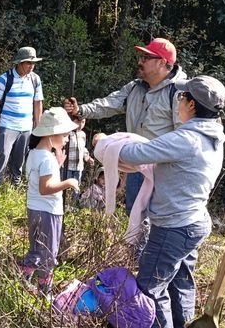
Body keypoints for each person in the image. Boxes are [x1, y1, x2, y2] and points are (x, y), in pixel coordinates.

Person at [115, 76, 225, 328]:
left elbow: (134, 153)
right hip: (194, 221)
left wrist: (107, 143)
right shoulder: (214, 134)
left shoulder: (186, 139)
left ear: (191, 104)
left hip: (174, 226)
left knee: (151, 285)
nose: (177, 101)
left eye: (181, 98)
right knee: (180, 284)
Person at [75, 38, 186, 211]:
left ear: (162, 63)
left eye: (146, 58)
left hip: (163, 172)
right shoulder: (135, 87)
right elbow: (109, 103)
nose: (140, 61)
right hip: (136, 165)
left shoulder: (180, 93)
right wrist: (80, 110)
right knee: (133, 211)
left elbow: (185, 137)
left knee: (156, 217)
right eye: (141, 56)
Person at [19, 107, 80, 298]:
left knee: (36, 247)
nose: (67, 139)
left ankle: (24, 279)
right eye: (65, 135)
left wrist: (58, 163)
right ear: (52, 135)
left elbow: (39, 179)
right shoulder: (47, 158)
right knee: (49, 252)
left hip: (34, 209)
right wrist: (68, 183)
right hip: (49, 212)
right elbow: (45, 188)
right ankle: (45, 291)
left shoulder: (34, 153)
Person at [0, 46, 45, 186]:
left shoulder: (35, 80)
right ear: (19, 63)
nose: (31, 66)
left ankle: (16, 184)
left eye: (33, 63)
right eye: (28, 63)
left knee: (20, 158)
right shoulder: (4, 78)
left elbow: (38, 103)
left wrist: (37, 125)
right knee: (3, 154)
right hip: (7, 124)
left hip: (26, 126)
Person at [61, 97, 90, 205]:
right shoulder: (68, 133)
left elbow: (83, 148)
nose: (81, 124)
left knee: (76, 185)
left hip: (79, 166)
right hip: (68, 165)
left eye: (83, 122)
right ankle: (64, 201)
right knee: (66, 183)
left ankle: (75, 203)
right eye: (79, 121)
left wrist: (87, 157)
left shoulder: (83, 134)